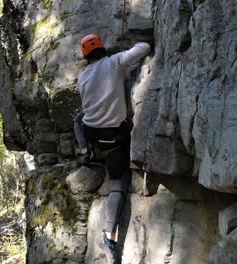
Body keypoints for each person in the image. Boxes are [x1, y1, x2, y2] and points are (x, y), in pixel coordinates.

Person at [75, 34, 150, 263]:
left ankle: (84, 151)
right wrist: (126, 49)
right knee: (118, 182)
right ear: (102, 49)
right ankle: (110, 234)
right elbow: (144, 47)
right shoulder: (115, 61)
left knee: (79, 119)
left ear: (86, 56)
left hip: (92, 132)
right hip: (113, 137)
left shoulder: (82, 77)